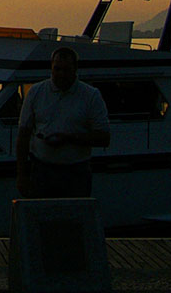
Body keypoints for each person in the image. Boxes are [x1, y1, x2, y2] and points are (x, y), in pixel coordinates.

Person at [16, 46, 110, 198]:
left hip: (76, 173)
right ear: (51, 68)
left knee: (74, 218)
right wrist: (21, 175)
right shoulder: (35, 92)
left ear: (75, 69)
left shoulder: (91, 95)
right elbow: (23, 135)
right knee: (42, 217)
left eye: (66, 69)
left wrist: (69, 138)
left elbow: (104, 138)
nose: (61, 74)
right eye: (57, 69)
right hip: (41, 170)